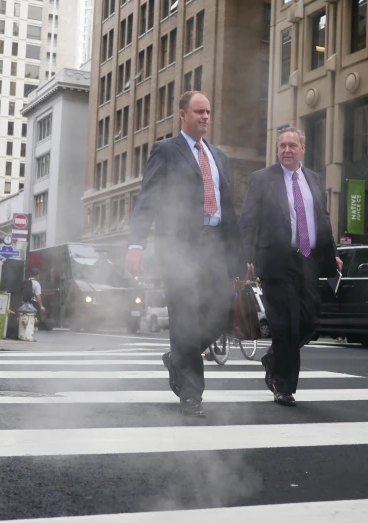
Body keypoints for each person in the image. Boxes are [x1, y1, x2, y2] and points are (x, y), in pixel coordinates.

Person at [126, 91, 242, 417]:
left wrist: (240, 257)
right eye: (199, 111)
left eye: (208, 112)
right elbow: (147, 199)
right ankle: (192, 396)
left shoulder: (219, 156)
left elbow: (228, 210)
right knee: (187, 321)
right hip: (180, 250)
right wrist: (136, 245)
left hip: (216, 248)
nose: (206, 117)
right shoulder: (165, 151)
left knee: (221, 315)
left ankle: (177, 357)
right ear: (182, 115)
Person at [239, 127, 343, 406]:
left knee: (310, 321)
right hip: (275, 261)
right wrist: (244, 260)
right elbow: (248, 221)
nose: (286, 150)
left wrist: (331, 254)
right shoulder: (262, 179)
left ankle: (274, 358)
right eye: (282, 145)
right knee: (285, 326)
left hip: (307, 260)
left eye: (292, 145)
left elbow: (322, 219)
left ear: (302, 149)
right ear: (277, 149)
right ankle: (284, 386)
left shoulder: (313, 179)